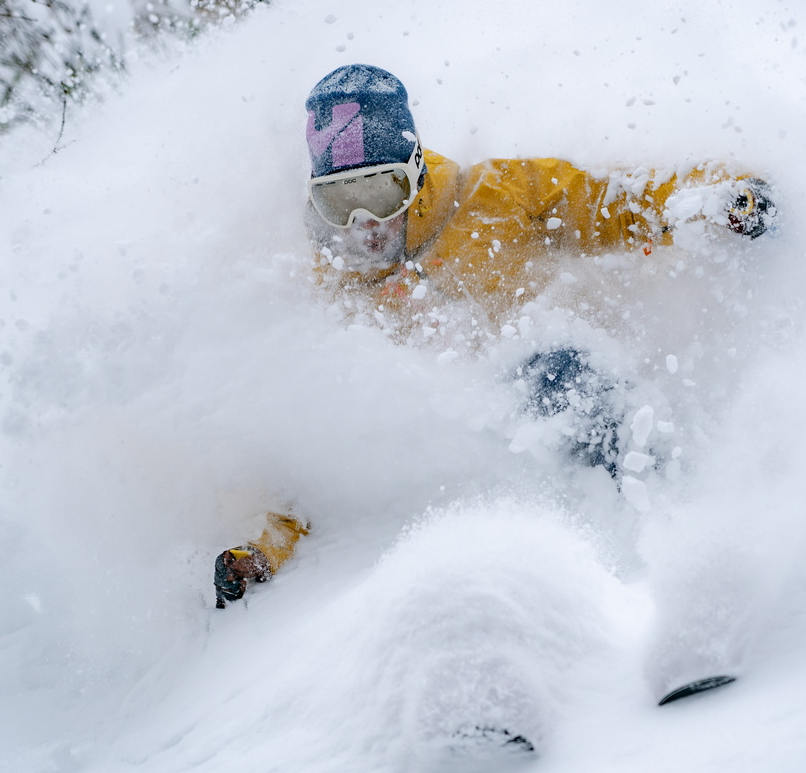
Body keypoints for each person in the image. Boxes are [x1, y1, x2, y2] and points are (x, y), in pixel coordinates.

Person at [213, 64, 776, 607]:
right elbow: (320, 446)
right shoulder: (336, 295)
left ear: (417, 172)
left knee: (552, 372)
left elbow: (614, 205)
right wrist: (265, 549)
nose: (364, 223)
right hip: (469, 482)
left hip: (569, 402)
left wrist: (711, 201)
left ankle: (679, 560)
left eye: (382, 193)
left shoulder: (496, 197)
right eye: (339, 201)